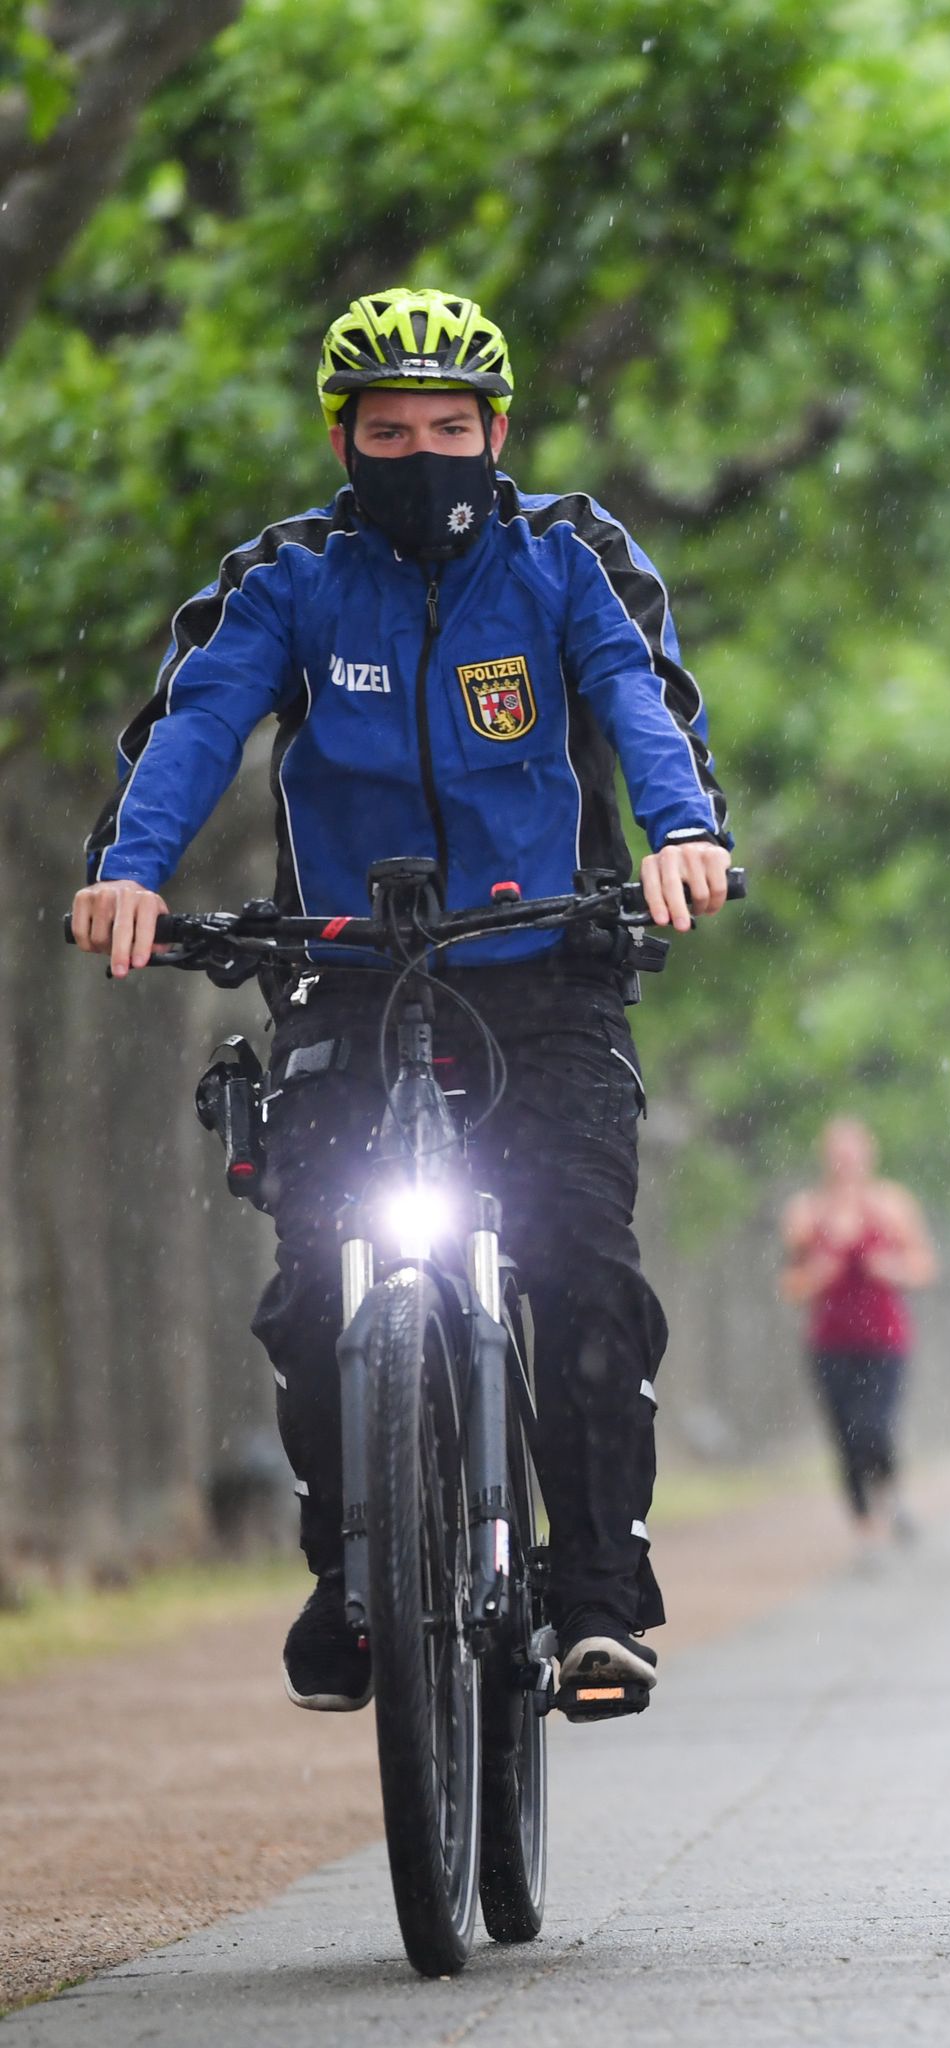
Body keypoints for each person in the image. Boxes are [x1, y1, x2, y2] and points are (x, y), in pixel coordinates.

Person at [70, 287, 734, 1712]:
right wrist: (129, 871)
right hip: (349, 981)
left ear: (499, 432)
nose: (421, 452)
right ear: (342, 438)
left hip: (546, 978)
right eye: (388, 430)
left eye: (451, 426)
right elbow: (197, 719)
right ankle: (349, 1568)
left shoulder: (567, 558)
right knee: (314, 1287)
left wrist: (684, 833)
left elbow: (636, 698)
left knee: (585, 1277)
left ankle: (601, 1594)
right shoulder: (291, 574)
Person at [780, 1119, 937, 1554]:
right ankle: (865, 1525)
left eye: (853, 1152)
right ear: (826, 1157)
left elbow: (924, 1267)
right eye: (837, 1152)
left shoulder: (892, 1205)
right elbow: (790, 1283)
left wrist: (894, 1269)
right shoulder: (807, 1212)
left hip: (885, 1341)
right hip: (830, 1343)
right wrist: (816, 1276)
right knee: (845, 1435)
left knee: (875, 1427)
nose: (845, 1161)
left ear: (869, 1154)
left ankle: (891, 1491)